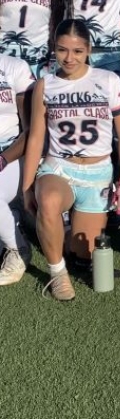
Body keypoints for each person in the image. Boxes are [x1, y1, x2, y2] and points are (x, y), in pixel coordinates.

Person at [22, 19, 120, 301]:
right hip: (60, 167)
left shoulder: (108, 80)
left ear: (89, 50)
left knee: (83, 257)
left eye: (77, 51)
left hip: (97, 173)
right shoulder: (46, 84)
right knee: (48, 201)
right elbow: (35, 138)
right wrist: (27, 188)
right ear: (54, 48)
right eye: (62, 50)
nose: (69, 58)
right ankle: (57, 273)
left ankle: (65, 232)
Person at [0, 52, 33, 285]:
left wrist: (3, 159)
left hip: (9, 155)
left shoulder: (14, 67)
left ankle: (17, 249)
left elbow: (30, 130)